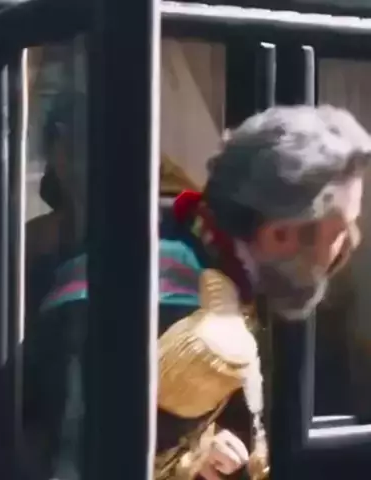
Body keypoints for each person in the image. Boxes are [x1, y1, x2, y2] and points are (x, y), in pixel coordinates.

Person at [24, 105, 371, 480]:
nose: (352, 243)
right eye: (341, 230)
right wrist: (189, 452)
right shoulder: (178, 311)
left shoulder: (181, 237)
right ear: (279, 234)